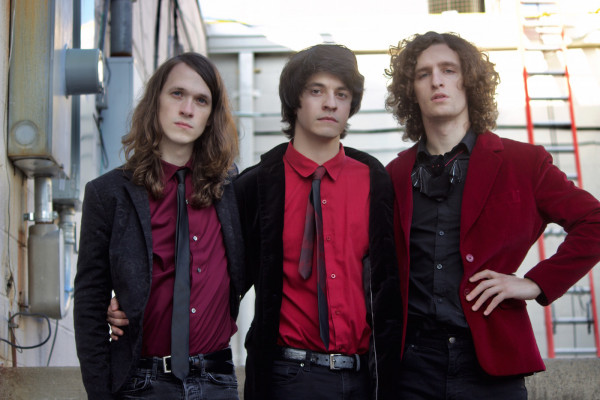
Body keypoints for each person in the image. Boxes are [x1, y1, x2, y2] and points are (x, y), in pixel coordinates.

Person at [384, 31, 600, 399]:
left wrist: (535, 283)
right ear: (411, 90)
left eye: (448, 70)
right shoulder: (393, 174)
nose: (436, 80)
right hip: (410, 368)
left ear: (469, 80)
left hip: (491, 366)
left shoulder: (524, 162)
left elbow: (594, 222)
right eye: (423, 74)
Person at [234, 43, 402, 400]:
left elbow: (392, 281)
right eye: (316, 91)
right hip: (288, 377)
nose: (330, 103)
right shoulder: (257, 185)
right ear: (295, 100)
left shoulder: (375, 180)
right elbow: (220, 279)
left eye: (342, 94)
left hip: (364, 378)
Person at [74, 52, 245, 400]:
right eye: (177, 94)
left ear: (211, 116)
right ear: (156, 101)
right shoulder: (108, 194)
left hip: (217, 379)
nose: (187, 109)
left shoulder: (232, 190)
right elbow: (90, 302)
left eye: (201, 100)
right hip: (140, 382)